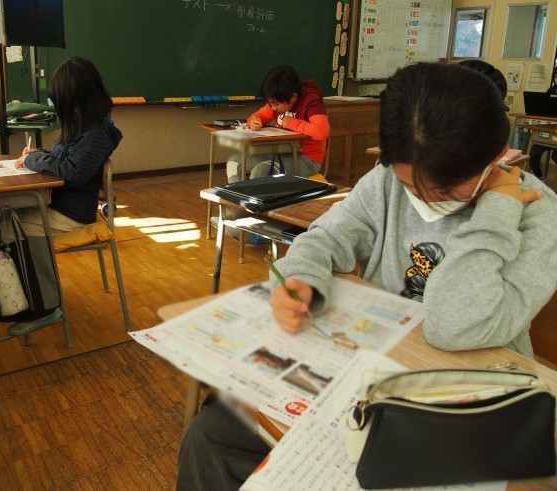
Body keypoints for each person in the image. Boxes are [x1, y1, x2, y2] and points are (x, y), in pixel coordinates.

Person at [177, 62, 557, 490]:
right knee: (210, 437)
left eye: (448, 192)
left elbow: (454, 325)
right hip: (365, 377)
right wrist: (301, 279)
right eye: (412, 187)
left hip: (465, 402)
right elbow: (325, 237)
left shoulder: (537, 216)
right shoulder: (387, 181)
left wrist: (495, 209)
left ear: (496, 154)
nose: (425, 201)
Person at [0, 56, 123, 245]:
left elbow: (72, 172)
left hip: (72, 217)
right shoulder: (82, 124)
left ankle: (18, 258)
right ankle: (21, 258)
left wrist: (33, 159)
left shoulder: (98, 132)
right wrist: (38, 153)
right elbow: (63, 158)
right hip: (59, 207)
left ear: (78, 99)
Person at [225, 65, 329, 183]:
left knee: (260, 171)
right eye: (270, 103)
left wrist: (290, 122)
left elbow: (321, 131)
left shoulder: (311, 101)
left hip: (307, 159)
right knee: (234, 161)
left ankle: (254, 195)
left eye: (275, 104)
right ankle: (238, 194)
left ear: (293, 96)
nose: (273, 108)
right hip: (281, 153)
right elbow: (259, 115)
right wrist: (253, 121)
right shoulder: (279, 98)